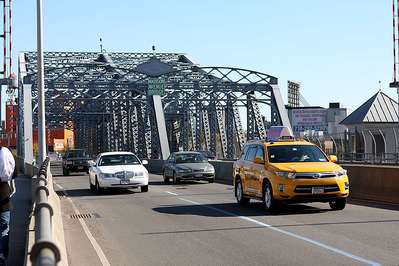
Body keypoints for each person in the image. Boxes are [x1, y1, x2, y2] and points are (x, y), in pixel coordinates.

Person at [0, 146, 18, 266]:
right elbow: (15, 173)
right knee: (4, 229)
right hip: (3, 197)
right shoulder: (5, 152)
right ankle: (1, 256)